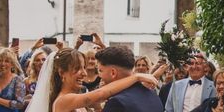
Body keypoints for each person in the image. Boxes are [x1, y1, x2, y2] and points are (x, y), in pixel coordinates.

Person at [26, 47, 157, 112]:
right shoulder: (63, 100)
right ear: (62, 73)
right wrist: (135, 77)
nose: (84, 73)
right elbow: (102, 93)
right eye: (77, 68)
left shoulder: (78, 99)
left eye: (84, 67)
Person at [95, 46, 163, 112]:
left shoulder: (116, 103)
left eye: (101, 71)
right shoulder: (153, 96)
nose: (99, 75)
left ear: (113, 73)